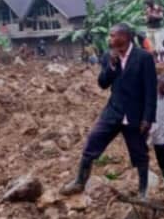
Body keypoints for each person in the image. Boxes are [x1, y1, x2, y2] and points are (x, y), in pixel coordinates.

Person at [59, 23, 158, 199]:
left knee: (140, 153)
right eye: (110, 35)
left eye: (113, 35)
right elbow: (102, 83)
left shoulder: (143, 57)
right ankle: (80, 181)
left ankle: (143, 192)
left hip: (135, 114)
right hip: (113, 111)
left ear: (125, 37)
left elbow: (151, 90)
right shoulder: (108, 56)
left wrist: (148, 118)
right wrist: (111, 66)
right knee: (92, 141)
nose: (110, 39)